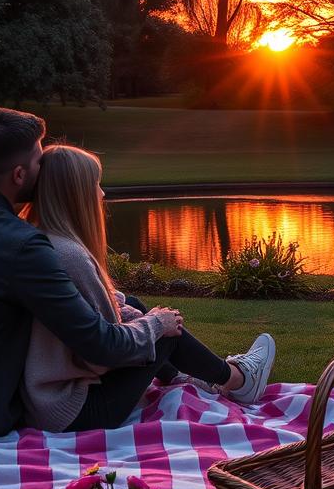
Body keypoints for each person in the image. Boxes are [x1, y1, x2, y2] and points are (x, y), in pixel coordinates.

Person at [0, 107, 274, 436]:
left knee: (130, 309)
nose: (44, 166)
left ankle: (207, 376)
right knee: (158, 328)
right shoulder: (21, 244)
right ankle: (236, 379)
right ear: (19, 175)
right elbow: (100, 345)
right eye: (39, 160)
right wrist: (154, 324)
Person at [20, 143, 276, 432]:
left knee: (135, 304)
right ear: (75, 195)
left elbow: (103, 307)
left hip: (47, 401)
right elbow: (107, 346)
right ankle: (238, 379)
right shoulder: (70, 255)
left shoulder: (42, 241)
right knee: (165, 334)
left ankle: (188, 377)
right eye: (95, 185)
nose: (102, 194)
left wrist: (143, 315)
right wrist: (156, 324)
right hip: (75, 410)